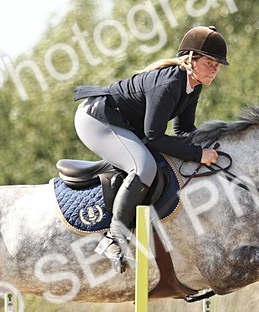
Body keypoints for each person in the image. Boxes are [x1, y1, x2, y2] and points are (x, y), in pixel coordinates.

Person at [73, 25, 227, 271]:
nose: (214, 70)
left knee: (155, 162)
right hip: (96, 119)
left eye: (218, 66)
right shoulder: (171, 81)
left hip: (119, 123)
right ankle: (114, 237)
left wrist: (209, 145)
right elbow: (153, 136)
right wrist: (199, 154)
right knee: (143, 167)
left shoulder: (192, 85)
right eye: (210, 63)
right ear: (191, 60)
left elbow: (183, 130)